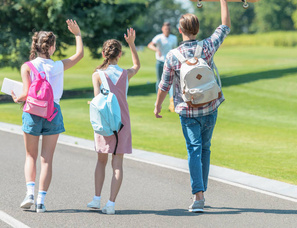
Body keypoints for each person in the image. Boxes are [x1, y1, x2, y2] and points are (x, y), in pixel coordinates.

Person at [154, 0, 231, 212]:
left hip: (187, 111)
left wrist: (158, 106)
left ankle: (198, 197)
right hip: (211, 107)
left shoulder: (172, 55)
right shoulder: (207, 46)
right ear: (197, 29)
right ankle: (201, 193)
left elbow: (164, 85)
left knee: (194, 150)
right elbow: (224, 26)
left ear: (180, 29)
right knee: (205, 149)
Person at [12, 19, 84, 212]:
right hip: (53, 112)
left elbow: (26, 94)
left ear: (36, 46)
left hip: (32, 112)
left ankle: (29, 194)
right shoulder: (58, 66)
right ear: (51, 47)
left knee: (30, 156)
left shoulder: (27, 66)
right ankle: (41, 202)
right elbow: (79, 55)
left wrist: (16, 97)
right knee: (46, 159)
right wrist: (77, 34)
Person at [86, 28, 140, 215]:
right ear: (119, 54)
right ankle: (111, 204)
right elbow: (136, 65)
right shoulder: (125, 74)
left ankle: (96, 198)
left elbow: (96, 100)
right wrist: (131, 43)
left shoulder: (97, 75)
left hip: (104, 123)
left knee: (101, 161)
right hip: (122, 123)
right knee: (117, 165)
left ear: (103, 54)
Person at [147, 22, 178, 112]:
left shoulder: (173, 38)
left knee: (171, 82)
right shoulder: (159, 37)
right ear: (162, 29)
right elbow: (150, 45)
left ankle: (172, 102)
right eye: (165, 29)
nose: (167, 30)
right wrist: (156, 49)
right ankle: (158, 100)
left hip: (169, 62)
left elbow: (174, 49)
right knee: (159, 81)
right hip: (160, 62)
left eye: (168, 29)